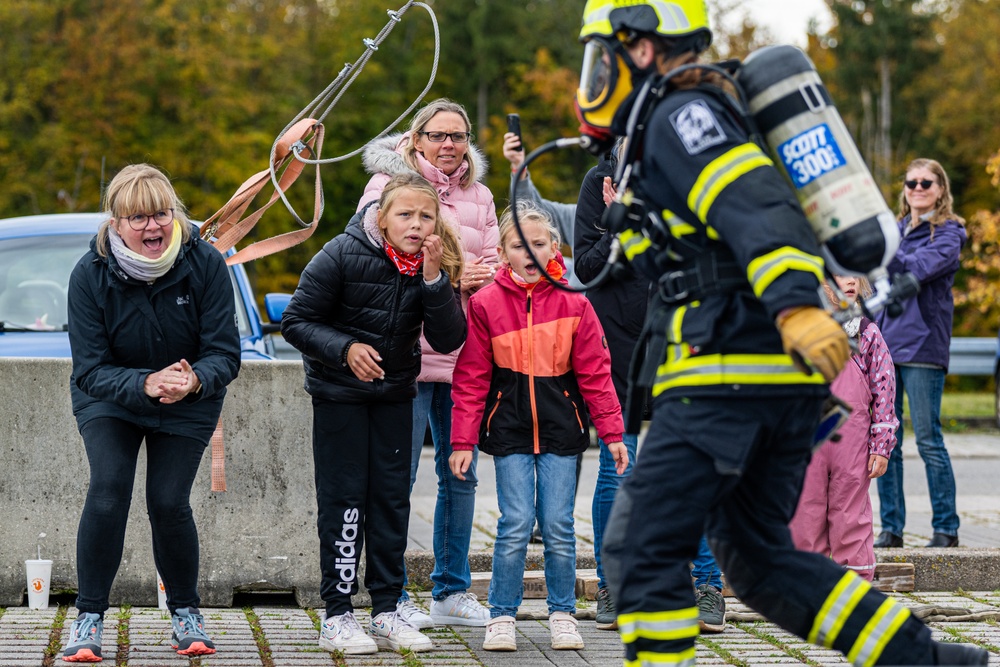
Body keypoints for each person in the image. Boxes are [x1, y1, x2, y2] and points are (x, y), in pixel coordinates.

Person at [576, 1, 987, 665]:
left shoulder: (683, 115)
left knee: (640, 548)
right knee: (760, 561)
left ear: (641, 46)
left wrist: (796, 305)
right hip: (766, 374)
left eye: (602, 53)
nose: (595, 74)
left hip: (728, 371)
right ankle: (933, 662)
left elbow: (757, 207)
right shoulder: (692, 117)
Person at [281, 172, 467, 655]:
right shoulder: (342, 252)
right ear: (381, 217)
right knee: (345, 503)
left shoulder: (430, 266)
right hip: (339, 397)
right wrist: (345, 349)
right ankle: (338, 615)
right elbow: (296, 321)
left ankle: (386, 610)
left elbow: (449, 339)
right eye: (405, 214)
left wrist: (433, 280)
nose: (416, 224)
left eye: (427, 216)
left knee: (390, 502)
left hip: (394, 396)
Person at [63, 164, 241, 662]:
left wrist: (195, 379)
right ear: (115, 223)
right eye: (137, 217)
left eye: (160, 214)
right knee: (108, 490)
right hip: (111, 397)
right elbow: (90, 369)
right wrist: (143, 382)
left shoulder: (204, 262)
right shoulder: (89, 273)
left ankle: (186, 614)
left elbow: (226, 352)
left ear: (174, 214)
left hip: (189, 397)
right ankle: (88, 618)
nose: (152, 227)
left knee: (168, 501)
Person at [449, 204, 628, 652]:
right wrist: (462, 440)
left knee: (558, 525)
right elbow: (471, 377)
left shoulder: (575, 303)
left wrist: (613, 433)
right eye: (518, 245)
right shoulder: (485, 303)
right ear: (503, 251)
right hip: (508, 433)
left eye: (539, 243)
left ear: (554, 247)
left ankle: (563, 612)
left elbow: (596, 376)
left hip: (561, 434)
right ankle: (501, 615)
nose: (529, 253)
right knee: (513, 523)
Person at [573, 139, 726, 633]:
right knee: (618, 469)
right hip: (616, 346)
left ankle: (706, 585)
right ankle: (612, 584)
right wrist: (616, 220)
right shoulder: (598, 185)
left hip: (681, 345)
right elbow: (588, 267)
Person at [358, 98, 497, 628]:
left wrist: (485, 275)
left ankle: (451, 591)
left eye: (458, 136)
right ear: (416, 139)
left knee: (460, 477)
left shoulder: (479, 196)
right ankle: (391, 596)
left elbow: (493, 259)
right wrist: (452, 276)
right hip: (405, 354)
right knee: (396, 479)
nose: (448, 145)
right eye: (437, 135)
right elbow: (374, 259)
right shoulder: (383, 188)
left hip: (464, 355)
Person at [874, 158, 967, 549]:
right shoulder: (895, 229)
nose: (917, 188)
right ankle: (891, 528)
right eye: (910, 182)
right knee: (885, 441)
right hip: (886, 346)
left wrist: (880, 246)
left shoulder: (948, 233)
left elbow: (914, 268)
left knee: (928, 439)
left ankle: (946, 527)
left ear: (941, 188)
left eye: (926, 182)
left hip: (924, 346)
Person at [790, 275, 898, 581]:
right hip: (807, 438)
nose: (848, 280)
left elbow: (885, 390)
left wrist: (881, 445)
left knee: (850, 511)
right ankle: (807, 586)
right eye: (839, 275)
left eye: (854, 275)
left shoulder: (866, 333)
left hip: (852, 441)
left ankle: (856, 588)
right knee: (804, 510)